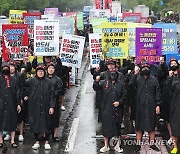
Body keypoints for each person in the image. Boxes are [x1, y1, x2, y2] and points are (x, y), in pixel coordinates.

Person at [93, 68, 126, 153]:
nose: (113, 75)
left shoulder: (121, 84)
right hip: (106, 109)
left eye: (114, 73)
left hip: (118, 110)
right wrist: (96, 81)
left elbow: (124, 96)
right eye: (111, 73)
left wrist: (119, 102)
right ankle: (106, 145)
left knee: (117, 128)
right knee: (106, 128)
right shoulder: (104, 83)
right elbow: (96, 88)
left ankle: (117, 145)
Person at [131, 63, 161, 152]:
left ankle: (152, 143)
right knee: (139, 126)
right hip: (139, 105)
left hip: (151, 105)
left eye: (146, 67)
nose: (145, 69)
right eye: (143, 67)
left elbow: (158, 93)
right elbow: (129, 86)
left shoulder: (154, 79)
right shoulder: (137, 78)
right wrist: (134, 74)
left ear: (149, 68)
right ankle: (138, 143)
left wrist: (158, 104)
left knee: (151, 125)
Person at [25, 64, 55, 150]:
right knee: (35, 123)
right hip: (35, 106)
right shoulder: (31, 81)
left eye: (42, 71)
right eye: (39, 71)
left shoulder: (49, 82)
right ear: (36, 72)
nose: (40, 73)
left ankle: (47, 141)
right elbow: (22, 84)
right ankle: (37, 141)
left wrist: (51, 106)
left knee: (47, 123)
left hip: (46, 106)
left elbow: (52, 95)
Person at [0, 62, 21, 148]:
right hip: (1, 104)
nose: (6, 69)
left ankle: (12, 140)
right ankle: (0, 140)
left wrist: (18, 103)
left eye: (7, 68)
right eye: (4, 68)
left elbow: (17, 92)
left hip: (11, 103)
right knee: (0, 122)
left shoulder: (13, 80)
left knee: (12, 121)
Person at [165, 59, 180, 154]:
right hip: (174, 105)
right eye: (172, 64)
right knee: (175, 126)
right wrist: (169, 78)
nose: (174, 65)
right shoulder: (169, 78)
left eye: (175, 64)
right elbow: (167, 91)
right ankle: (175, 146)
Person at [47, 62, 63, 142]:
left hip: (55, 101)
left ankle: (55, 135)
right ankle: (45, 135)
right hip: (45, 101)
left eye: (52, 68)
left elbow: (60, 90)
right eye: (49, 68)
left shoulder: (58, 79)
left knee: (55, 119)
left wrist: (53, 94)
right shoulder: (44, 78)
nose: (51, 70)